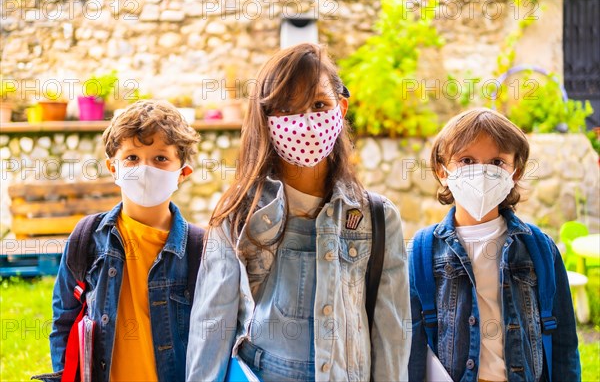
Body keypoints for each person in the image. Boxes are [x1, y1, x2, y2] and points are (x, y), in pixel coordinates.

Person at [186, 43, 411, 382]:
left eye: (319, 104)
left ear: (341, 108)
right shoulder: (238, 215)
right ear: (267, 120)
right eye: (288, 108)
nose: (306, 122)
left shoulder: (377, 218)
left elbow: (392, 335)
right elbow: (212, 327)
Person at [408, 107, 581, 381]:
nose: (482, 172)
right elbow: (412, 348)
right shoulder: (421, 253)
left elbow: (563, 343)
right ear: (442, 172)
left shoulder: (539, 249)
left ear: (516, 172)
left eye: (497, 163)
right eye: (466, 160)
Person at [46, 100, 202, 382]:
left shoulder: (199, 248)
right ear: (112, 167)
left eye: (160, 158)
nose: (145, 169)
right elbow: (63, 322)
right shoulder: (87, 238)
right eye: (131, 157)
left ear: (183, 173)